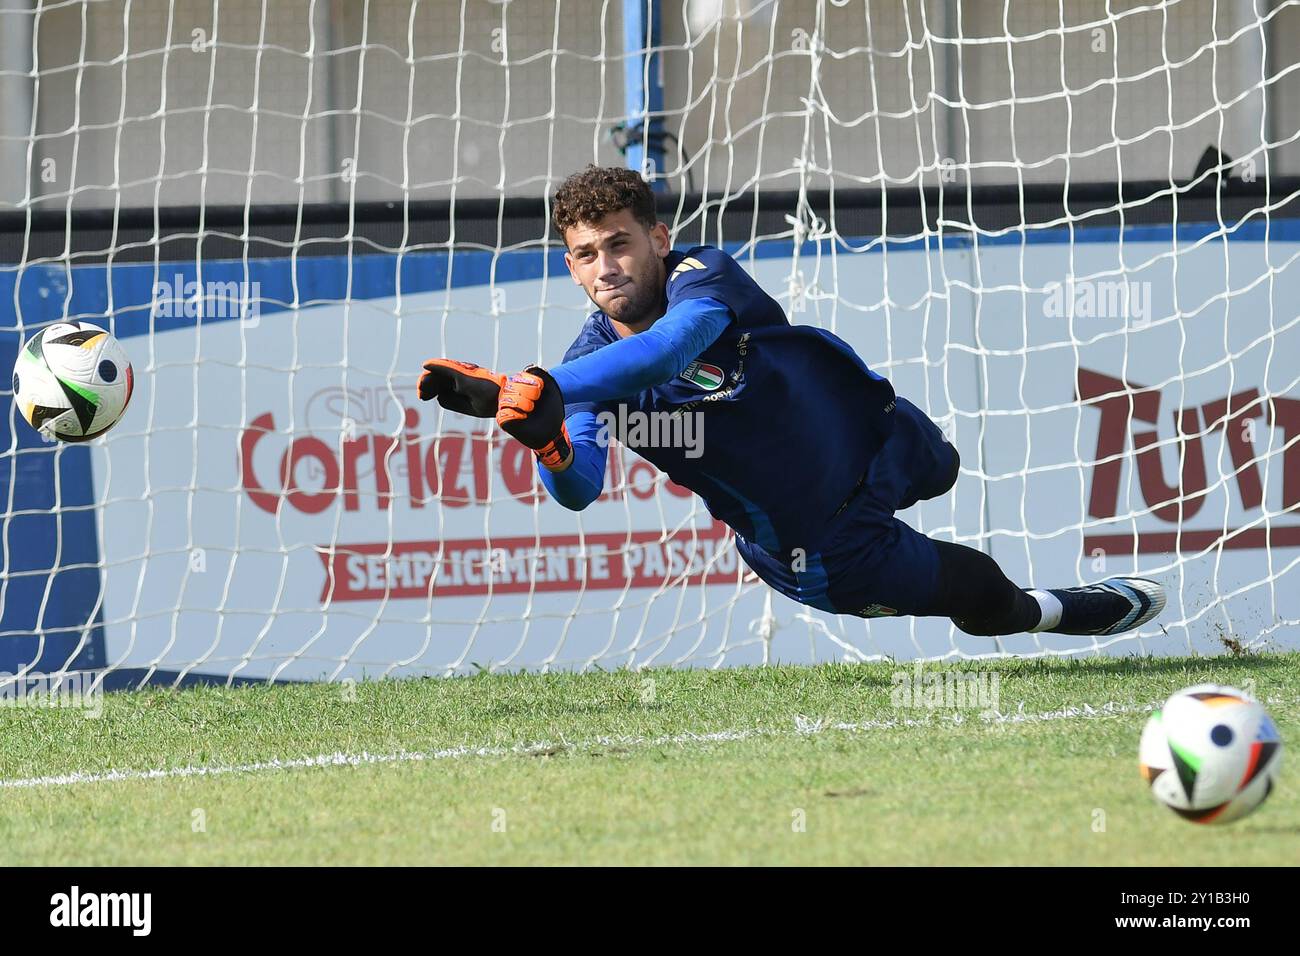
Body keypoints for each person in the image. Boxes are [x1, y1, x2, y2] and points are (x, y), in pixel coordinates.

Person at [418, 165, 1164, 637]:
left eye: (618, 244)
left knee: (946, 467)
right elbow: (578, 488)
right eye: (586, 254)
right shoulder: (583, 370)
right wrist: (543, 433)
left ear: (657, 236)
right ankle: (1054, 612)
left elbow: (674, 348)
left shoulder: (703, 276)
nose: (606, 266)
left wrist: (535, 386)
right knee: (980, 592)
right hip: (817, 542)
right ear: (571, 266)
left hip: (873, 435)